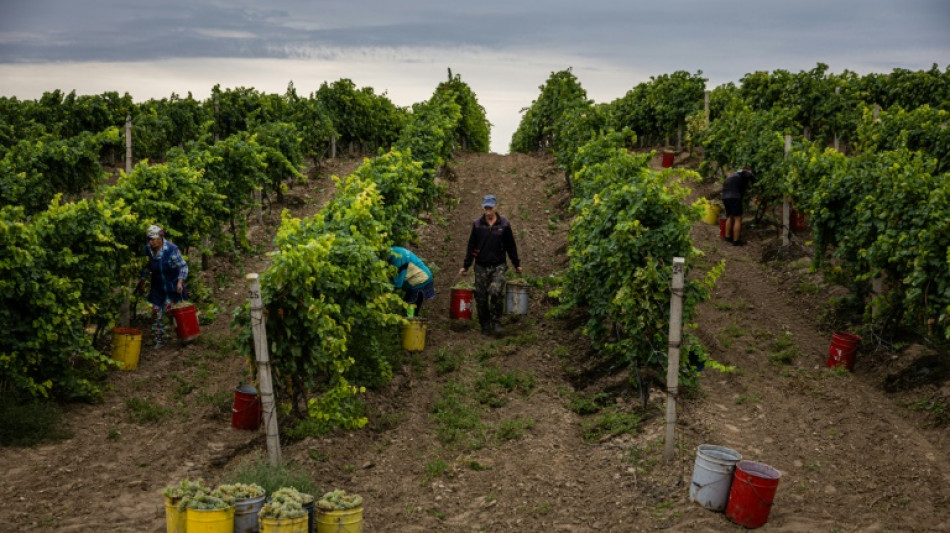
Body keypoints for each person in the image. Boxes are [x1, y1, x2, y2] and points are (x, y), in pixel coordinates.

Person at [459, 194, 522, 335]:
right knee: (481, 296)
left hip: (498, 265)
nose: (488, 212)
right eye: (486, 208)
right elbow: (471, 246)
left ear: (496, 207)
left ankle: (496, 320)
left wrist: (516, 263)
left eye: (490, 208)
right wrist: (466, 265)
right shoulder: (477, 224)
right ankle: (485, 323)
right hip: (481, 265)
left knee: (495, 290)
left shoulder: (504, 224)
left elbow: (511, 245)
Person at [137, 224, 188, 347]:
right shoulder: (147, 250)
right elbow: (145, 266)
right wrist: (142, 281)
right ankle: (159, 341)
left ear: (160, 238)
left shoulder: (171, 249)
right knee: (156, 312)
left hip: (172, 286)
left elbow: (183, 266)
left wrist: (180, 282)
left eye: (153, 239)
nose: (151, 242)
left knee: (173, 311)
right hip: (157, 286)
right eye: (149, 239)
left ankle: (185, 336)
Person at [389, 246, 436, 314]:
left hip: (421, 280)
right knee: (411, 308)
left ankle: (411, 319)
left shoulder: (397, 259)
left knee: (409, 310)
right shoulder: (395, 250)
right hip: (423, 277)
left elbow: (397, 283)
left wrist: (387, 291)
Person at [722, 166, 755, 246]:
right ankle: (736, 241)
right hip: (734, 197)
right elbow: (750, 176)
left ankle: (727, 237)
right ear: (748, 170)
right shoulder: (745, 173)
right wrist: (753, 178)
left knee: (730, 216)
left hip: (725, 197)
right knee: (738, 218)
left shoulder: (733, 175)